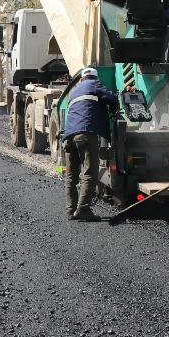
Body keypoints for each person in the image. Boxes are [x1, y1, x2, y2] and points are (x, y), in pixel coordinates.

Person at [62, 67, 118, 221]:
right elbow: (112, 98)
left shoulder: (74, 90)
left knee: (71, 174)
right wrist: (114, 109)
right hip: (86, 134)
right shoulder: (94, 85)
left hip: (68, 136)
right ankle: (83, 209)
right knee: (89, 172)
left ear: (81, 79)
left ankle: (71, 209)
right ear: (95, 77)